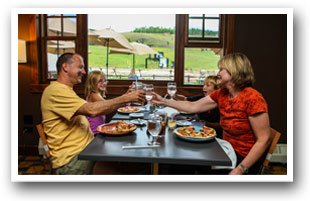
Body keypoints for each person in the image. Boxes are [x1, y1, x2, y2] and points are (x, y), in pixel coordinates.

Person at [151, 52, 272, 175]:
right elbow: (193, 106)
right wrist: (163, 100)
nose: (217, 73)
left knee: (184, 162)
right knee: (180, 161)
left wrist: (240, 169)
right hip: (225, 149)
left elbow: (264, 140)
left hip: (243, 159)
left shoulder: (253, 98)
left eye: (221, 70)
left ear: (234, 71)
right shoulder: (222, 93)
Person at [41, 53, 145, 175]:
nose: (84, 72)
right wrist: (126, 98)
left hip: (87, 149)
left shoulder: (66, 91)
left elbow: (102, 107)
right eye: (80, 67)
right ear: (65, 67)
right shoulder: (55, 91)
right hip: (72, 160)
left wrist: (126, 98)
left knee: (129, 161)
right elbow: (92, 110)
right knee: (128, 168)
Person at [84, 70, 107, 136]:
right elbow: (108, 105)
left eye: (105, 81)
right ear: (93, 82)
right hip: (94, 133)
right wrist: (126, 97)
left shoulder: (97, 94)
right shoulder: (93, 95)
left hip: (99, 131)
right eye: (100, 81)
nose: (104, 83)